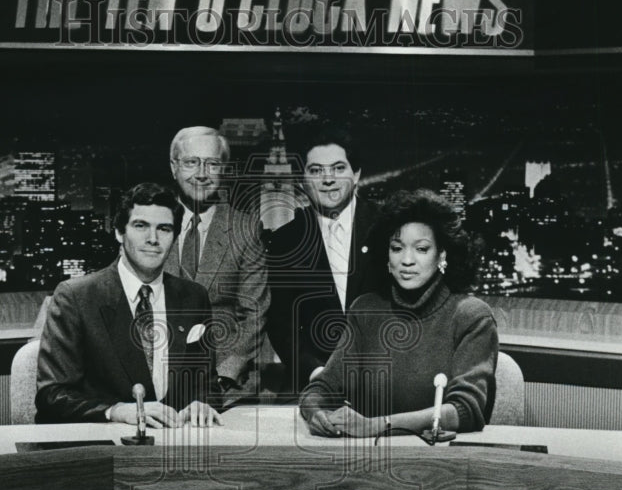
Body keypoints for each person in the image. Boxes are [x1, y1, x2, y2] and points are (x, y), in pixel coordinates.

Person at [299, 189, 497, 437]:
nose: (407, 260)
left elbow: (466, 410)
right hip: (368, 460)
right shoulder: (366, 309)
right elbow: (321, 388)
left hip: (438, 462)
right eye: (397, 248)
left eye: (422, 249)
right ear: (386, 255)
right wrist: (316, 414)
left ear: (442, 255)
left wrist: (376, 426)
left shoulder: (470, 316)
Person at [36, 182, 223, 427]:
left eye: (164, 229)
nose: (153, 239)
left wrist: (203, 402)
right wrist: (115, 411)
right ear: (119, 232)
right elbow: (53, 395)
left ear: (175, 237)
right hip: (104, 448)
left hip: (175, 446)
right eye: (141, 226)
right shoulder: (76, 297)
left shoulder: (193, 297)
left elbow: (206, 384)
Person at [265, 125, 379, 391]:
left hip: (388, 382)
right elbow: (281, 323)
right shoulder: (285, 241)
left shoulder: (386, 228)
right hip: (313, 385)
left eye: (339, 168)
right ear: (303, 179)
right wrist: (317, 373)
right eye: (316, 171)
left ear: (357, 173)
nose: (328, 179)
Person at [164, 126, 269, 399]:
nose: (201, 174)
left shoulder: (245, 229)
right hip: (157, 381)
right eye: (191, 163)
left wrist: (224, 376)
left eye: (212, 164)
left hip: (226, 387)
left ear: (224, 170)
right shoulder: (151, 226)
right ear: (174, 168)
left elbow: (254, 314)